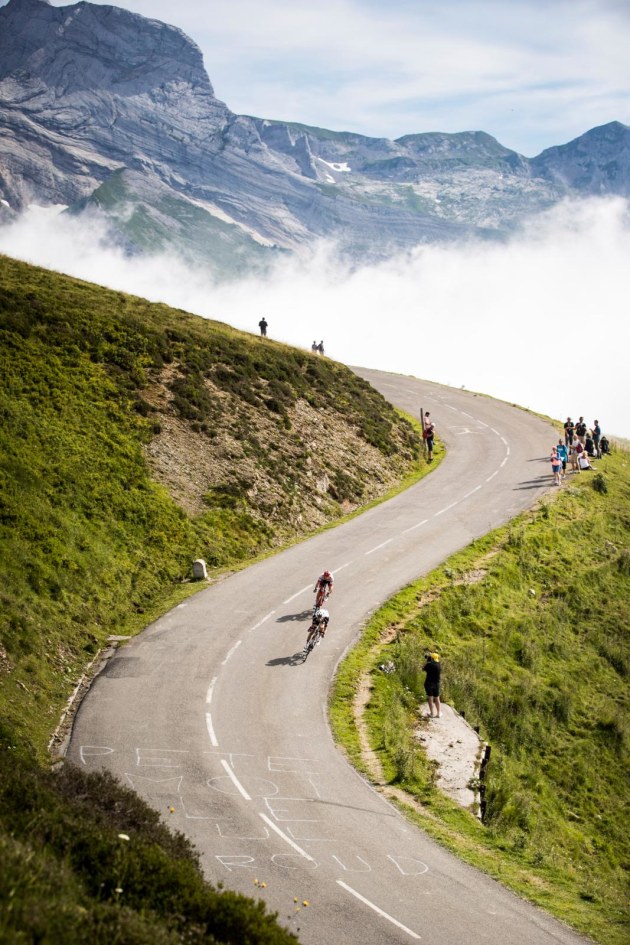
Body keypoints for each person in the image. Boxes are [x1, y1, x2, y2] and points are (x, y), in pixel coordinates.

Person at [422, 652, 441, 718]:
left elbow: (422, 668)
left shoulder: (428, 665)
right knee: (437, 698)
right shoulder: (439, 665)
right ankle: (438, 713)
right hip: (436, 683)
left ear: (431, 658)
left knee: (430, 697)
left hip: (428, 683)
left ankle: (432, 713)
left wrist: (427, 661)